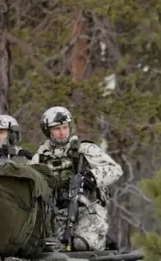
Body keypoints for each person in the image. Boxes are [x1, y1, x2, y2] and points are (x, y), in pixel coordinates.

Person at [31, 106, 122, 252]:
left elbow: (115, 170)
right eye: (56, 129)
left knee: (82, 244)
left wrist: (92, 178)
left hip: (88, 209)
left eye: (65, 127)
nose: (62, 132)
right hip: (57, 214)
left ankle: (102, 240)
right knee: (54, 249)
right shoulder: (40, 158)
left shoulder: (84, 149)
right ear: (48, 131)